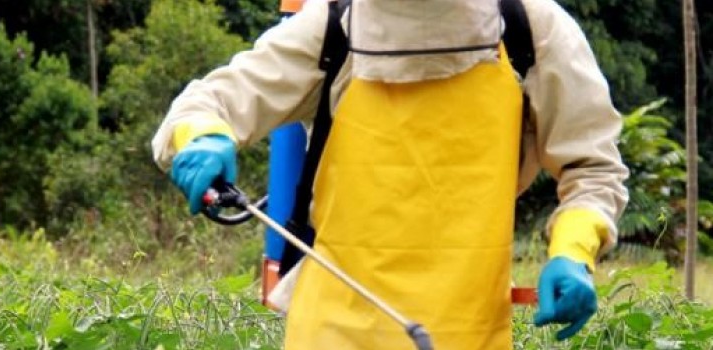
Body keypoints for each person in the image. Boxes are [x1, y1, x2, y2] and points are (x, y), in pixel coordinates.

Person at [151, 0, 629, 348]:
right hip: (331, 334)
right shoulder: (332, 26)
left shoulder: (533, 29)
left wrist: (573, 251)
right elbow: (207, 102)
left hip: (467, 334)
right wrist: (203, 136)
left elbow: (591, 166)